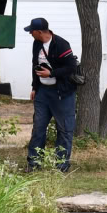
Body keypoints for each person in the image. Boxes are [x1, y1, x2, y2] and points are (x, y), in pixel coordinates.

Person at [25, 17, 80, 172]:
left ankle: (61, 166)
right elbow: (34, 65)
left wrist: (51, 73)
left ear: (40, 31)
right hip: (43, 93)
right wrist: (35, 87)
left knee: (64, 130)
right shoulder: (36, 44)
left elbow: (71, 68)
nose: (30, 34)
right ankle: (34, 164)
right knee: (38, 128)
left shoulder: (61, 44)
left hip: (62, 93)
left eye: (32, 31)